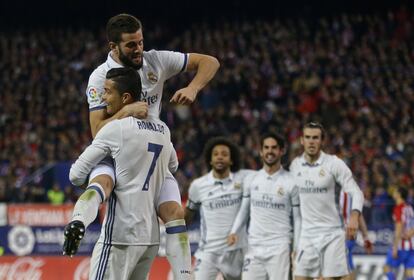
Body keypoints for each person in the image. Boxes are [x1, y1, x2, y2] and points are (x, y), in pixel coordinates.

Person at [84, 13, 219, 278]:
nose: (139, 50)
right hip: (120, 158)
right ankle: (80, 221)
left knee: (174, 213)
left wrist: (193, 88)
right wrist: (127, 111)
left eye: (141, 42)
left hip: (154, 153)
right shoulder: (100, 78)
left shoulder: (155, 60)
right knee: (103, 194)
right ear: (113, 46)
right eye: (131, 45)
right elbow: (98, 131)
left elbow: (210, 62)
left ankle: (183, 275)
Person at [64, 67, 187, 279]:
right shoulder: (163, 129)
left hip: (119, 237)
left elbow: (75, 174)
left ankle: (80, 217)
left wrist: (106, 171)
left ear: (125, 97)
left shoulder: (115, 129)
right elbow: (173, 165)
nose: (103, 97)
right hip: (149, 240)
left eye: (108, 91)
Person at [289, 122, 364, 280]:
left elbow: (356, 192)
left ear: (322, 141)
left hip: (331, 235)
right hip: (306, 236)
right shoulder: (295, 166)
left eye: (315, 138)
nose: (311, 141)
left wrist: (355, 216)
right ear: (302, 140)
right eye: (308, 137)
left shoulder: (333, 163)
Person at [227, 133, 301, 280]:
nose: (270, 151)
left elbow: (298, 219)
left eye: (274, 148)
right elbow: (244, 210)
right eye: (266, 148)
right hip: (254, 247)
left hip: (279, 248)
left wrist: (297, 248)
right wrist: (234, 231)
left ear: (281, 151)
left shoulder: (291, 182)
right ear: (261, 151)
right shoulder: (251, 179)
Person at [185, 137, 252, 280]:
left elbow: (266, 175)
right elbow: (188, 215)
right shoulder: (198, 186)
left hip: (237, 251)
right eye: (215, 154)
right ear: (210, 160)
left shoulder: (243, 179)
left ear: (232, 160)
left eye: (224, 154)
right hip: (208, 252)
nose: (220, 157)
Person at [340, 191, 373, 280]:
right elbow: (359, 216)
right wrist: (366, 237)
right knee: (348, 266)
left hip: (341, 237)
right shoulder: (353, 192)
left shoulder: (335, 191)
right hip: (349, 237)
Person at [383, 187, 414, 280]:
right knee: (409, 272)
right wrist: (410, 234)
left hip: (402, 246)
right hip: (412, 245)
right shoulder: (409, 208)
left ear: (399, 194)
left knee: (386, 267)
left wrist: (395, 248)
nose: (394, 193)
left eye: (395, 191)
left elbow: (399, 228)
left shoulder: (398, 208)